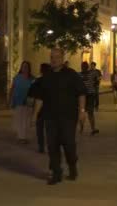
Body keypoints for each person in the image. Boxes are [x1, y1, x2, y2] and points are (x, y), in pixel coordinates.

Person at [32, 49, 87, 185]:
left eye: (57, 57)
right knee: (52, 146)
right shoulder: (46, 76)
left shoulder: (71, 75)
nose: (54, 59)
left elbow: (81, 93)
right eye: (52, 57)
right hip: (50, 117)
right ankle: (57, 173)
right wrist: (35, 115)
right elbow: (40, 98)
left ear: (62, 58)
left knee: (69, 144)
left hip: (68, 117)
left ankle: (72, 166)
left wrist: (82, 111)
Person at [28, 63, 52, 153]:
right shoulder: (54, 81)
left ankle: (41, 146)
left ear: (41, 70)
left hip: (39, 109)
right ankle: (51, 145)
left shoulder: (37, 81)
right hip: (51, 108)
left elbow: (31, 94)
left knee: (40, 128)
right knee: (50, 129)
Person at [9, 61, 35, 144]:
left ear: (29, 68)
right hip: (18, 101)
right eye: (23, 66)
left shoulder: (32, 79)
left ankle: (25, 136)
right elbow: (12, 88)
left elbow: (35, 90)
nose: (25, 68)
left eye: (26, 66)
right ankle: (21, 137)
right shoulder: (17, 77)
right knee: (20, 119)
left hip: (29, 102)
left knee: (27, 120)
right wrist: (10, 99)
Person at [80, 61, 100, 135]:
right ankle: (92, 128)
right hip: (87, 95)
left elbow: (97, 78)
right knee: (89, 112)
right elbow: (97, 78)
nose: (84, 68)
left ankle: (84, 129)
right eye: (84, 67)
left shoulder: (80, 75)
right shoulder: (91, 74)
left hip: (85, 96)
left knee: (85, 112)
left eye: (84, 67)